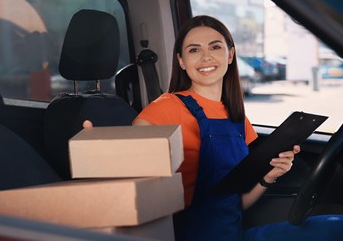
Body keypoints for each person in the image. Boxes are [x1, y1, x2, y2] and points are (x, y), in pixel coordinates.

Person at [83, 15, 343, 240]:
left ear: (230, 55)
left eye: (215, 47)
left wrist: (268, 177)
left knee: (334, 227)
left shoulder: (238, 120)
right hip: (188, 236)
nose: (206, 56)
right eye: (194, 50)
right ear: (182, 61)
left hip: (231, 234)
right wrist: (98, 148)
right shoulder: (167, 107)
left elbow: (234, 202)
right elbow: (124, 170)